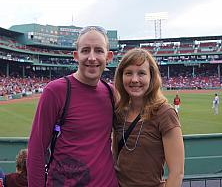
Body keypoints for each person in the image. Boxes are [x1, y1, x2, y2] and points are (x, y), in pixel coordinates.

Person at [27, 26, 119, 187]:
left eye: (98, 50)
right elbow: (36, 151)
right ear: (76, 56)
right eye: (85, 50)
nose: (92, 57)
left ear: (109, 56)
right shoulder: (55, 91)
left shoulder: (111, 93)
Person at [113, 48, 184, 187]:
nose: (134, 79)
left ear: (151, 77)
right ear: (121, 77)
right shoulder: (119, 113)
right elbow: (116, 159)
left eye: (141, 73)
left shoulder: (165, 113)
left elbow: (177, 172)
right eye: (128, 73)